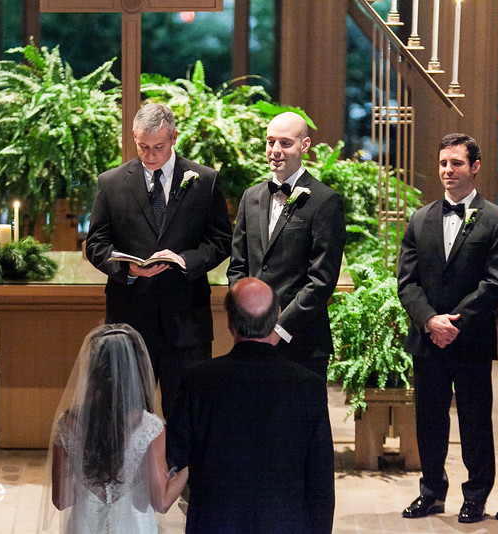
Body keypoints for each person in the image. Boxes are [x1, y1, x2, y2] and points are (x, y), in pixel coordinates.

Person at [397, 133, 498, 523]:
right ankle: (431, 492)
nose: (448, 170)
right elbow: (406, 281)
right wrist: (430, 320)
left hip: (471, 340)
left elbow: (497, 282)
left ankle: (476, 496)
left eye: (457, 163)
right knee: (429, 422)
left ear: (475, 166)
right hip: (427, 338)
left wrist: (456, 323)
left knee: (475, 423)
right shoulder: (419, 219)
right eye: (443, 163)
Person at [86, 103, 231, 417]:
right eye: (143, 147)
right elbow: (96, 243)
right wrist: (126, 268)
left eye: (158, 147)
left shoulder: (203, 181)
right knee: (125, 415)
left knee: (186, 415)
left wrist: (184, 260)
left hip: (186, 320)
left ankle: (180, 469)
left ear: (175, 137)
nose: (150, 155)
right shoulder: (111, 183)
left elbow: (221, 241)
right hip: (130, 319)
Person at [167, 277, 335, 533]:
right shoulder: (307, 386)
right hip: (286, 525)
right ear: (277, 316)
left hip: (215, 524)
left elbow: (175, 457)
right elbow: (321, 482)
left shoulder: (197, 381)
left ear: (229, 321)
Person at [227, 111, 346, 380]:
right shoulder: (251, 197)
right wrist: (248, 322)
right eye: (270, 142)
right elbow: (238, 266)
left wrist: (278, 327)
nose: (275, 150)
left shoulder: (325, 201)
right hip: (251, 340)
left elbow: (322, 279)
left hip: (301, 340)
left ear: (304, 145)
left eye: (285, 143)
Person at [41, 324, 189, 533]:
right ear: (136, 370)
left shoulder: (67, 424)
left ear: (92, 371)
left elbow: (61, 500)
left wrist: (90, 484)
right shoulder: (149, 427)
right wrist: (189, 467)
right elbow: (161, 502)